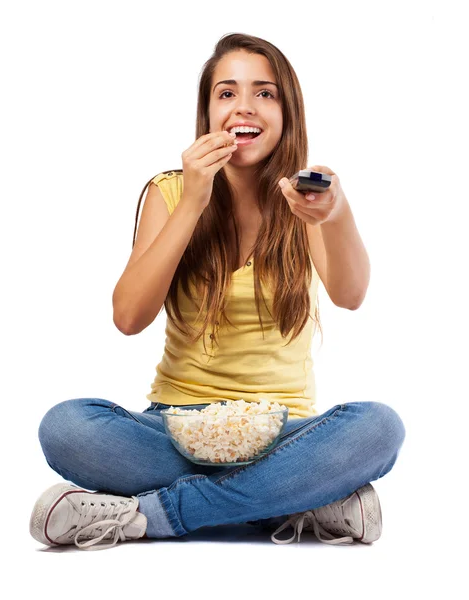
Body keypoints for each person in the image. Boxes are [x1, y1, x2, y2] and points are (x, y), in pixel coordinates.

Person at [29, 33, 406, 551]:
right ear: (206, 111)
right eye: (226, 94)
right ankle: (297, 500)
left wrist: (336, 214)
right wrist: (193, 202)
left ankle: (152, 516)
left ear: (287, 111)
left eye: (264, 93)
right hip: (174, 432)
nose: (243, 108)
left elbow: (351, 293)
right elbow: (128, 316)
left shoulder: (307, 196)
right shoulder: (170, 191)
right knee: (67, 427)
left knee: (379, 428)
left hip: (285, 435)